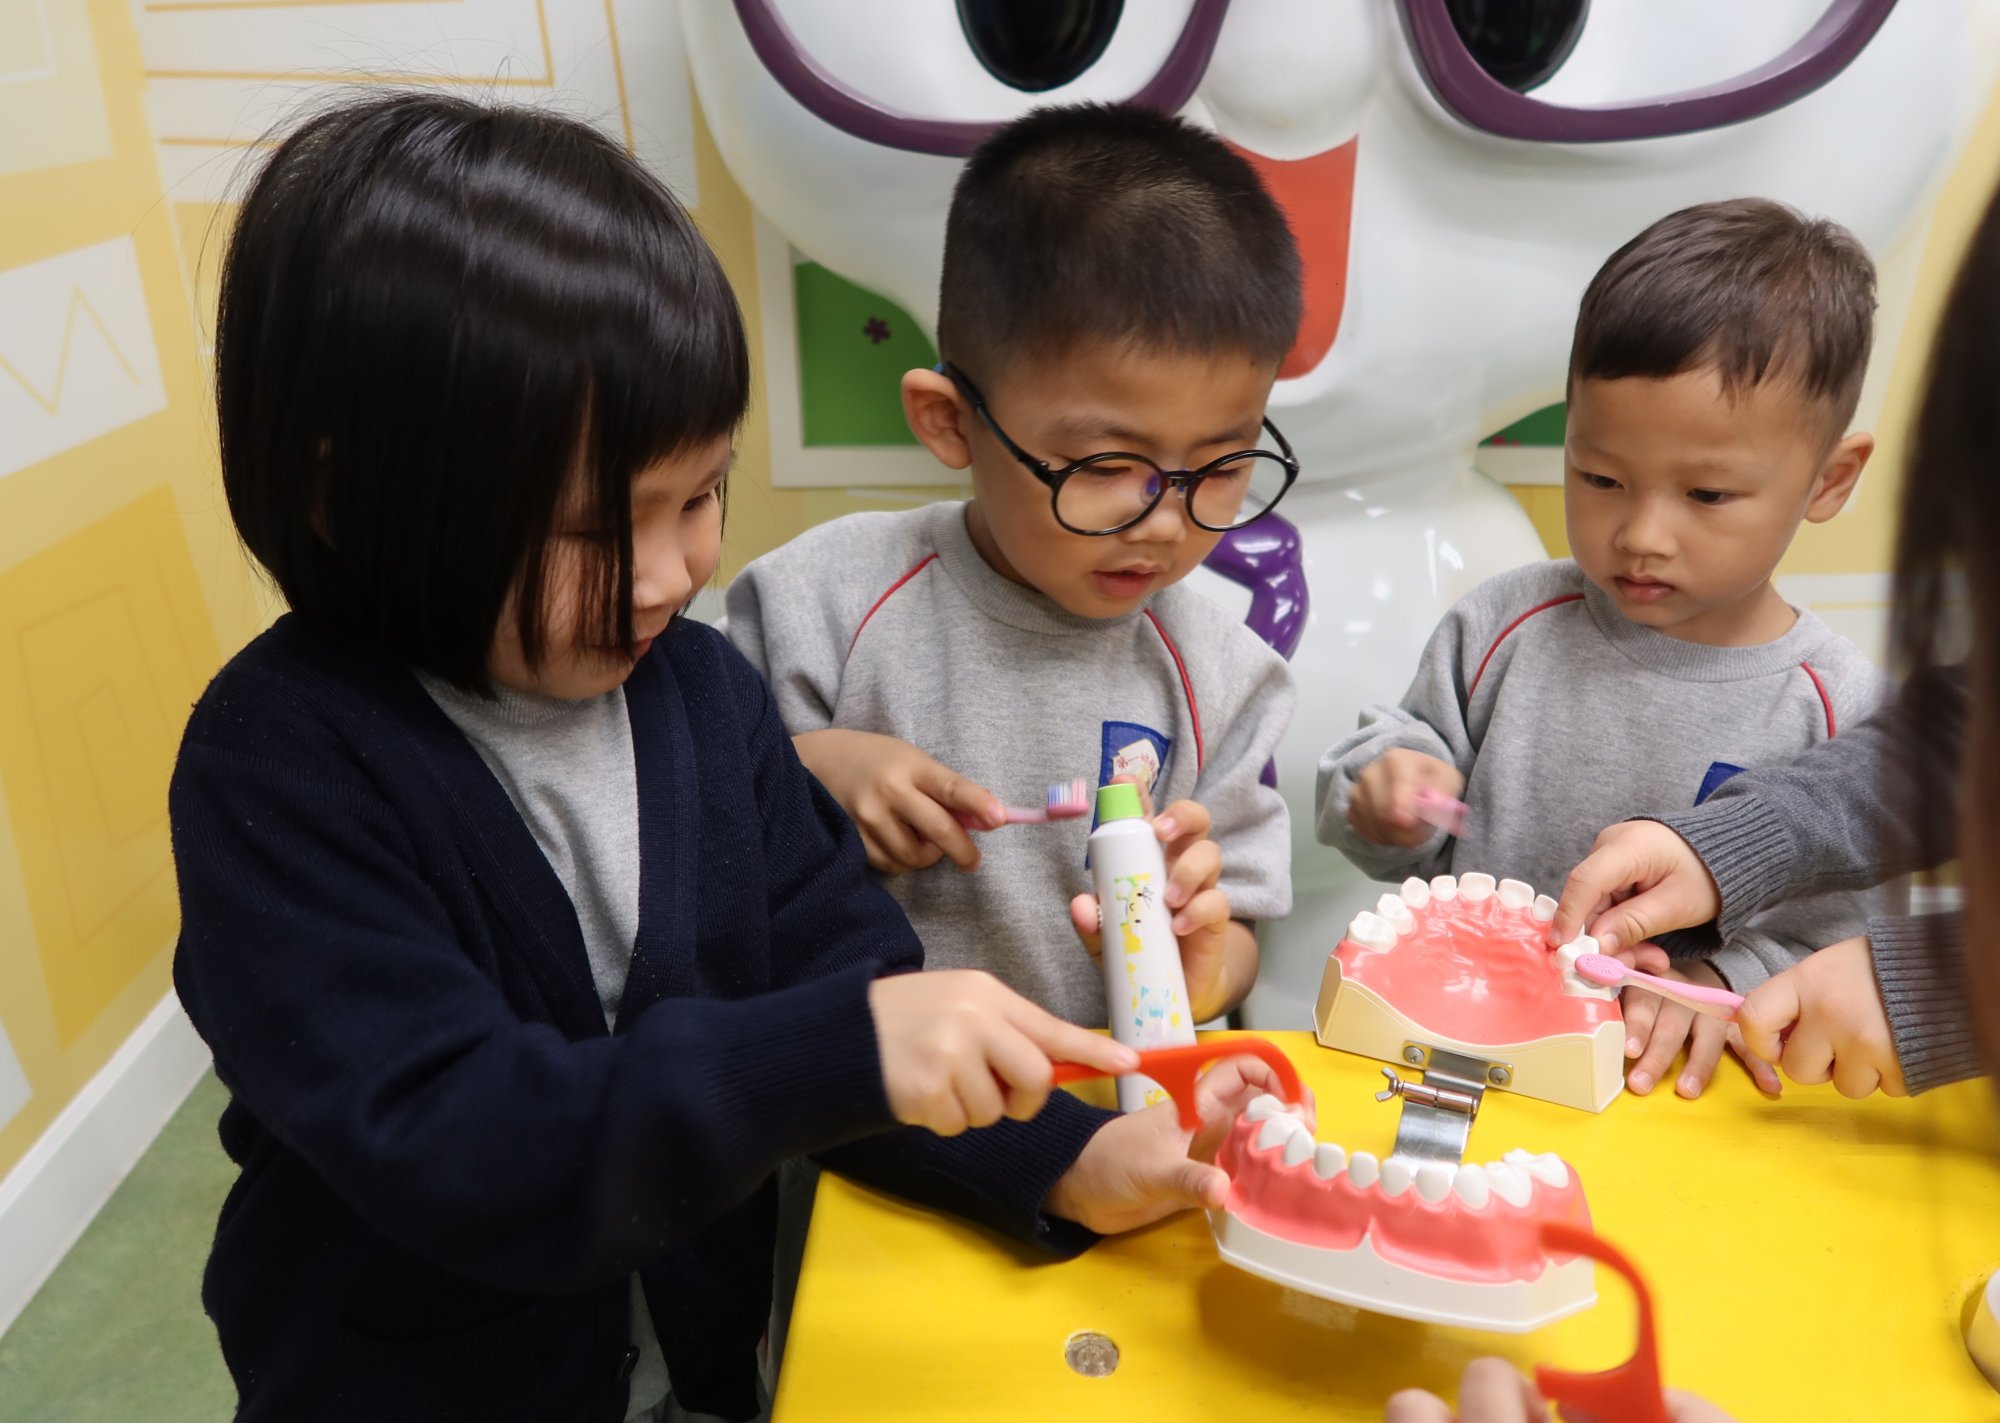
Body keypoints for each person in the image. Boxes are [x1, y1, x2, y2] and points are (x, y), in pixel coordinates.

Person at [170, 92, 1286, 1423]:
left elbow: (841, 981)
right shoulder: (278, 764)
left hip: (700, 1368)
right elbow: (454, 1135)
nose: (671, 573)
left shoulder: (702, 694)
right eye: (597, 528)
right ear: (344, 497)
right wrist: (831, 1050)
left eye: (700, 493)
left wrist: (1072, 1156)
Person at [723, 103, 1299, 1028]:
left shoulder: (1225, 677)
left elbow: (1239, 926)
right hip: (858, 1102)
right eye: (1105, 467)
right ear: (950, 422)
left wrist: (1202, 969)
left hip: (1107, 1106)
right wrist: (808, 773)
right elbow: (681, 826)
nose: (1164, 524)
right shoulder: (814, 603)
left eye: (1223, 468)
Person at [1317, 198, 1893, 1099]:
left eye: (1706, 494)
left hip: (1673, 1094)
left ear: (1830, 480)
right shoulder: (1503, 625)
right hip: (1462, 1048)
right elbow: (1388, 790)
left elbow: (1836, 940)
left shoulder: (1840, 708)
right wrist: (1386, 793)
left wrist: (1720, 979)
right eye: (1600, 477)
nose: (1641, 535)